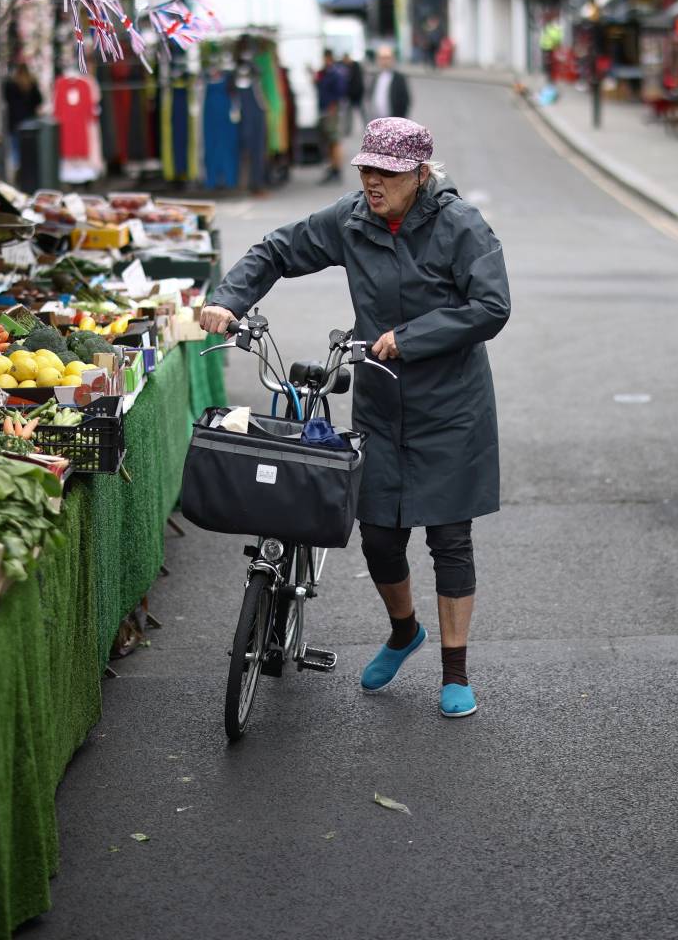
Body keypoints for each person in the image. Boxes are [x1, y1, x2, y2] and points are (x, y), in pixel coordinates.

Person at [199, 117, 510, 719]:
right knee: (379, 537)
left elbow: (491, 306)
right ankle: (403, 631)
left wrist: (411, 337)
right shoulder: (352, 219)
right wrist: (228, 298)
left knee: (449, 537)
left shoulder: (460, 226)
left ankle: (455, 671)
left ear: (420, 175)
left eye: (387, 173)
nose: (373, 182)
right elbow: (278, 250)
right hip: (381, 400)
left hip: (452, 405)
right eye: (367, 169)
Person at [1, 59, 42, 179]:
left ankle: (18, 168)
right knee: (29, 147)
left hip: (14, 121)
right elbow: (39, 100)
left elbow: (6, 99)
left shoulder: (10, 84)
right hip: (29, 120)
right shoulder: (32, 83)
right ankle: (29, 169)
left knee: (15, 147)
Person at [316, 53, 352, 184]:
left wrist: (333, 105)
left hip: (332, 111)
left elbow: (340, 92)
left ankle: (337, 169)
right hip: (326, 110)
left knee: (334, 140)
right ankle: (333, 167)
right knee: (330, 142)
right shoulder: (325, 73)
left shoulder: (335, 73)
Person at [368, 45, 412, 120]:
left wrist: (400, 119)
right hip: (377, 119)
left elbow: (405, 100)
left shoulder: (399, 78)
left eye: (387, 58)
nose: (384, 61)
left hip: (393, 120)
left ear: (392, 59)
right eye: (382, 58)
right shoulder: (376, 77)